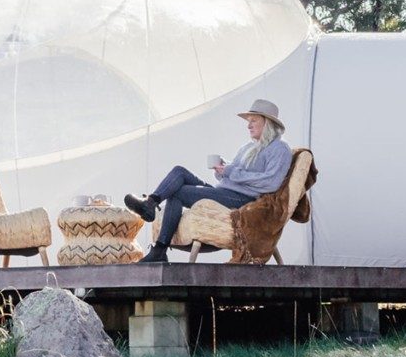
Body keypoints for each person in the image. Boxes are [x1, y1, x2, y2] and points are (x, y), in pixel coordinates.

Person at [125, 99, 293, 263]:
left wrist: (230, 171)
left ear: (268, 123)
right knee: (179, 172)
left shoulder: (279, 149)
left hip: (243, 199)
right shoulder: (248, 147)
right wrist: (222, 169)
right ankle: (151, 203)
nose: (248, 125)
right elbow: (234, 173)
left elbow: (271, 182)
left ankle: (158, 245)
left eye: (253, 121)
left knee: (177, 192)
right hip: (224, 192)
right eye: (248, 121)